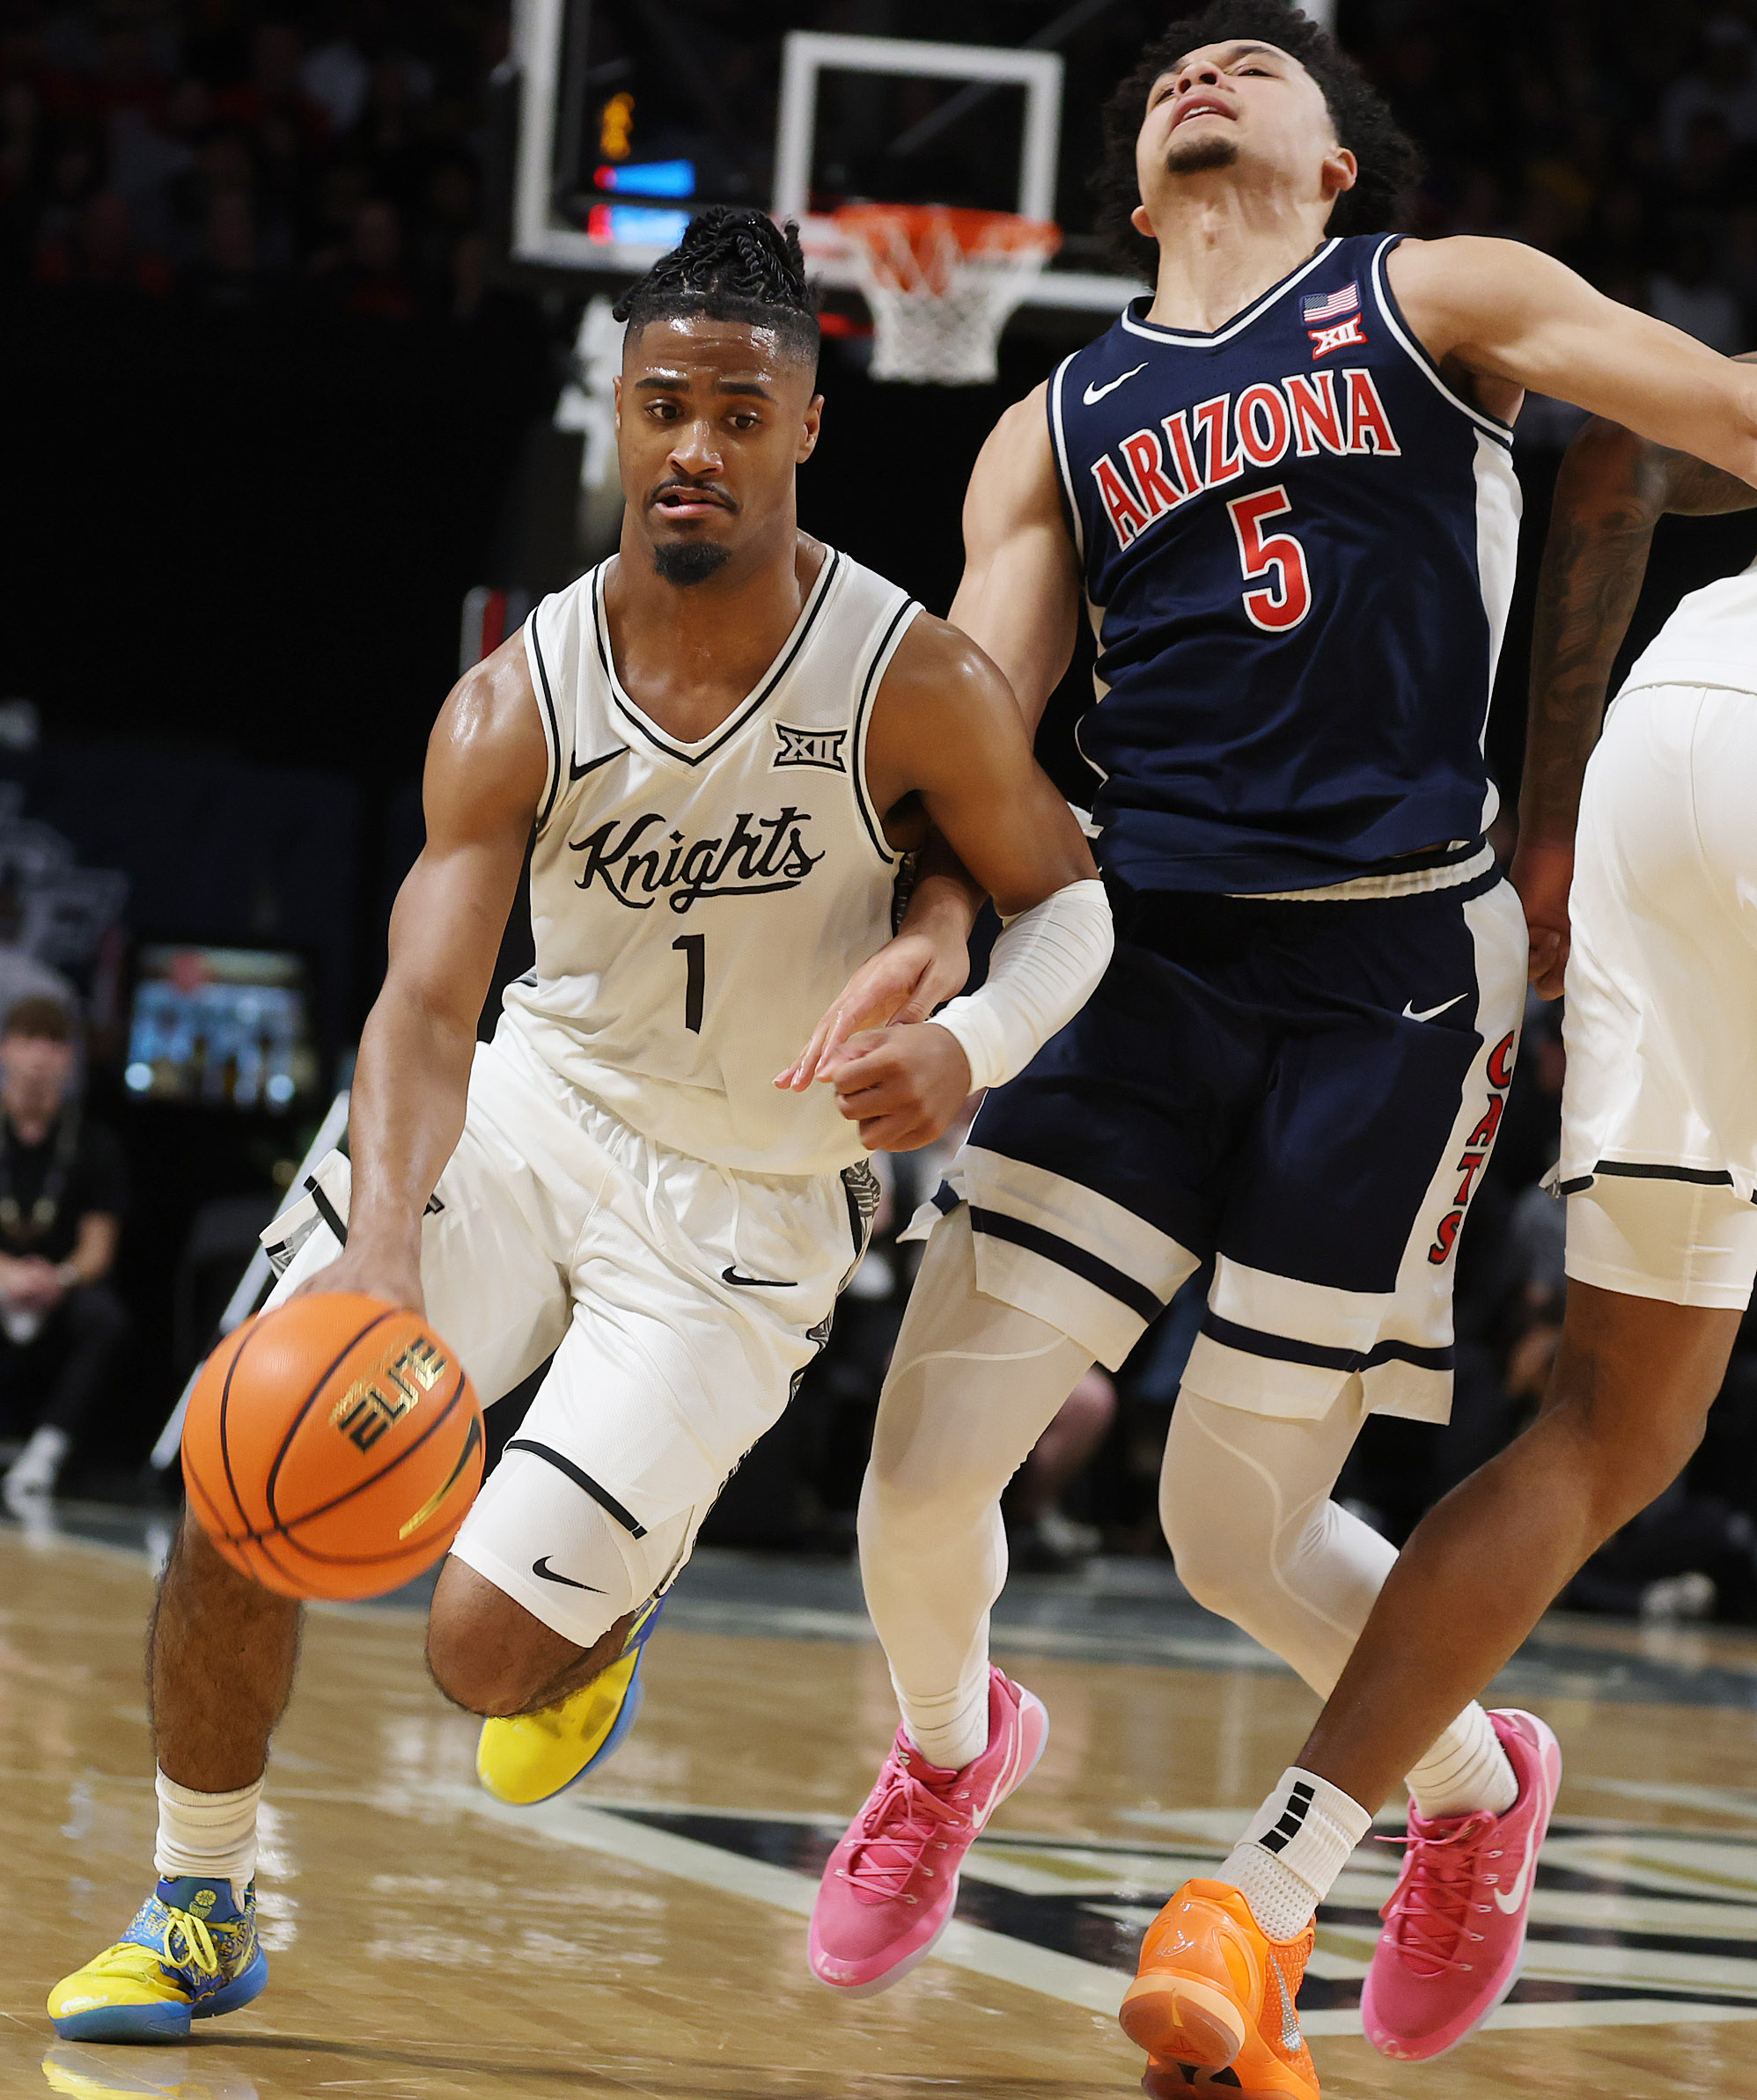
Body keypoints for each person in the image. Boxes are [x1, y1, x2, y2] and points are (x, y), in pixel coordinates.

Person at [805, 5, 1757, 2093]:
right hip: (1148, 967)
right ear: (1131, 188)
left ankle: (1472, 1790)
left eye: (1255, 63)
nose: (1197, 73)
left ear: (1341, 166)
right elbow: (985, 734)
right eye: (1169, 76)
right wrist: (942, 929)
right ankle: (953, 1752)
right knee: (912, 1478)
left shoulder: (1439, 297)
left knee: (1227, 1529)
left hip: (1395, 982)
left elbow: (1722, 414)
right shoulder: (1058, 413)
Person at [47, 207, 1111, 2045]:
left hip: (748, 1205)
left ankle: (606, 1599)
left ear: (801, 427)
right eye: (660, 404)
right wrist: (377, 1255)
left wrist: (978, 1039)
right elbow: (423, 1005)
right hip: (530, 1112)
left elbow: (1070, 894)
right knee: (249, 1467)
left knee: (480, 1657)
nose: (692, 441)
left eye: (734, 408)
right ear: (617, 417)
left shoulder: (906, 673)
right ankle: (198, 1894)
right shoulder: (514, 696)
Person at [1194, 366, 1757, 2067]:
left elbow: (1607, 472)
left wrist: (1561, 825)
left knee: (1602, 1427)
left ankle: (1257, 1900)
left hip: (1688, 717)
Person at [0, 995, 129, 1509]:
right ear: (7, 1048)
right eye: (28, 1040)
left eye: (53, 1043)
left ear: (69, 1058)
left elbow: (98, 1247)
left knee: (105, 1318)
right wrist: (8, 1275)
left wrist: (59, 1279)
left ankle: (46, 1452)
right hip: (3, 1281)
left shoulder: (93, 1143)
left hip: (59, 1288)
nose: (38, 1056)